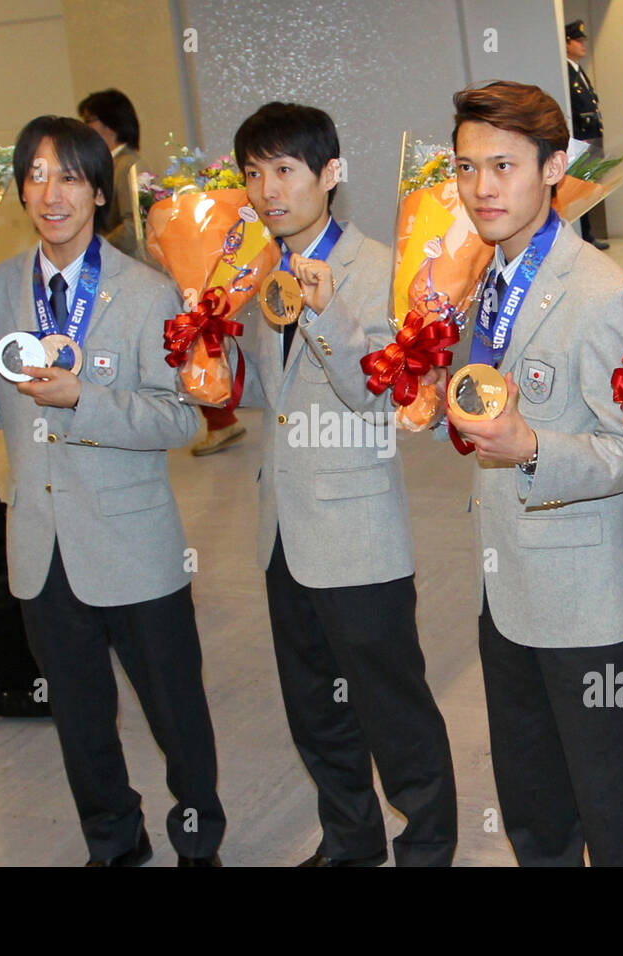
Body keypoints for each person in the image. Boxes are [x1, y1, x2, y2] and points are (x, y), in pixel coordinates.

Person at [0, 116, 225, 867]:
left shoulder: (149, 293)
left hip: (134, 544)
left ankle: (197, 841)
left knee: (174, 712)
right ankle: (114, 844)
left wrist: (81, 398)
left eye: (68, 177)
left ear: (96, 190)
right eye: (36, 176)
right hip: (41, 551)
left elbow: (181, 418)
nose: (50, 193)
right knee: (81, 720)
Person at [439, 81, 623, 866]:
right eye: (468, 169)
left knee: (616, 808)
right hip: (505, 591)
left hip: (587, 607)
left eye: (503, 165)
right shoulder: (482, 282)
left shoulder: (601, 294)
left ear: (553, 167)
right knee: (533, 803)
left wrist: (535, 447)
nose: (483, 188)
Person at [229, 102, 457, 866]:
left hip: (359, 536)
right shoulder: (258, 273)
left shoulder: (389, 268)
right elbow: (273, 394)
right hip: (283, 533)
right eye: (254, 173)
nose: (268, 190)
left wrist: (325, 314)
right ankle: (350, 844)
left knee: (393, 708)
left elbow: (374, 392)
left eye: (285, 170)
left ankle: (428, 848)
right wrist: (208, 349)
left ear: (330, 174)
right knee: (315, 713)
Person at [77, 89, 145, 262]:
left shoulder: (127, 165)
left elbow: (133, 227)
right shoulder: (112, 164)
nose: (84, 128)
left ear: (110, 123)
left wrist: (93, 249)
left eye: (88, 121)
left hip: (127, 264)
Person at [565, 19, 609, 250]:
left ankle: (589, 234)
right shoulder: (566, 72)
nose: (583, 45)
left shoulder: (577, 70)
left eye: (583, 40)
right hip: (580, 141)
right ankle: (585, 236)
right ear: (566, 43)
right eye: (577, 40)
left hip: (589, 140)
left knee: (588, 188)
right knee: (581, 189)